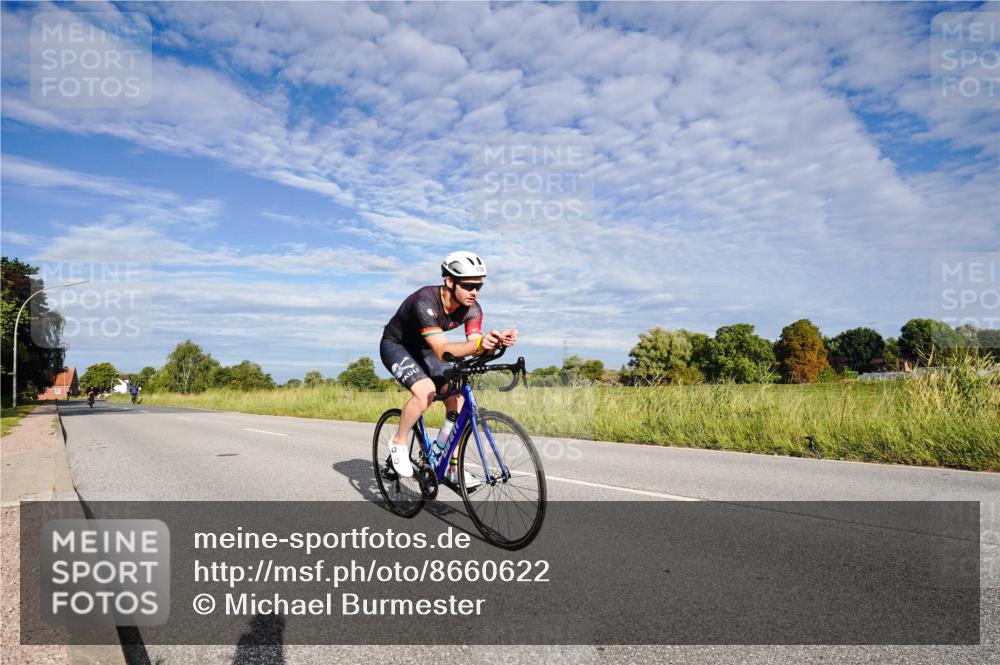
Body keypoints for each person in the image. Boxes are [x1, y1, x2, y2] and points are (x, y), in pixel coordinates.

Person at [379, 251, 517, 488]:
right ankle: (399, 442)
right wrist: (477, 343)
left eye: (479, 286)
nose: (474, 291)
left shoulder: (473, 309)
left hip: (427, 349)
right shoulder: (425, 302)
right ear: (449, 281)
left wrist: (492, 344)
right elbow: (443, 349)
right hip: (397, 346)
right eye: (468, 285)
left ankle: (452, 467)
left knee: (458, 397)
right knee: (426, 392)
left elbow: (475, 346)